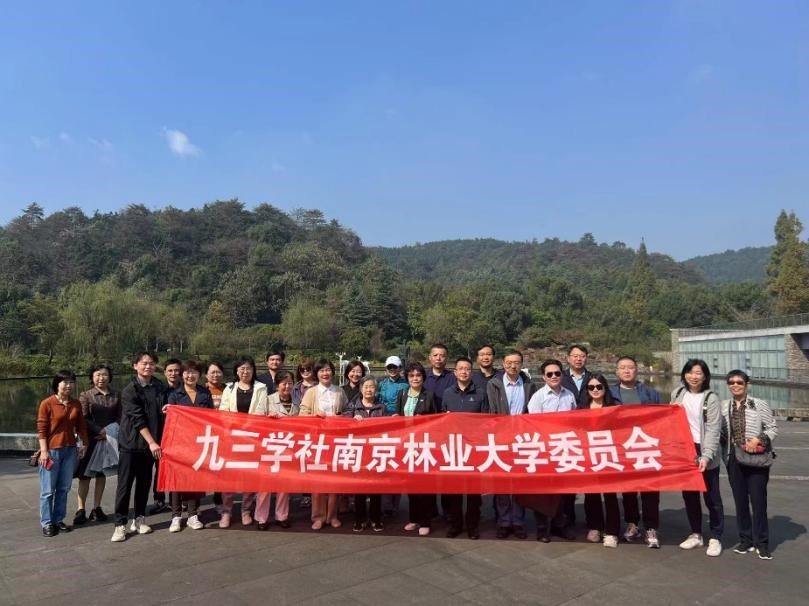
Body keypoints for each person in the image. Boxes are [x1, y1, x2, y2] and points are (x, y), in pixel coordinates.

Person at [721, 370, 777, 560]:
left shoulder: (759, 404)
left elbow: (772, 427)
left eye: (739, 382)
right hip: (733, 458)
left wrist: (758, 439)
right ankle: (745, 540)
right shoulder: (724, 406)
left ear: (747, 384)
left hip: (756, 458)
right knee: (740, 501)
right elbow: (720, 432)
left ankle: (762, 543)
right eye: (731, 382)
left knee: (759, 501)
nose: (735, 385)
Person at [671, 359, 724, 557]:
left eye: (698, 373)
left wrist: (707, 455)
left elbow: (713, 429)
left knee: (712, 497)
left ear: (705, 376)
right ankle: (696, 534)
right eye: (690, 372)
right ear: (684, 374)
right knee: (690, 495)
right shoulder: (678, 393)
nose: (693, 376)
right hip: (685, 450)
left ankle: (716, 537)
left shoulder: (711, 398)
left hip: (705, 449)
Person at [112, 352, 166, 542]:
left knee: (144, 483)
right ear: (135, 366)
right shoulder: (130, 390)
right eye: (144, 363)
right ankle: (120, 524)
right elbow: (137, 419)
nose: (148, 366)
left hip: (149, 447)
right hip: (131, 444)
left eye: (151, 363)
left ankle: (139, 518)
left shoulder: (159, 387)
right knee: (124, 485)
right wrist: (152, 442)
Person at [609, 355, 662, 548]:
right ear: (617, 371)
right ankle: (632, 524)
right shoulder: (610, 393)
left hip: (645, 446)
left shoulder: (650, 393)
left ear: (636, 370)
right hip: (622, 447)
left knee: (650, 490)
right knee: (628, 489)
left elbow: (661, 418)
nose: (626, 370)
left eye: (630, 367)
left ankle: (651, 528)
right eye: (622, 367)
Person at [487, 349, 537, 540]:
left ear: (521, 364)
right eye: (509, 362)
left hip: (522, 440)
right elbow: (491, 411)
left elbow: (531, 412)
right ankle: (503, 522)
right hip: (501, 439)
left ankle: (517, 522)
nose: (512, 366)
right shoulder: (494, 384)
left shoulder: (529, 385)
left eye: (516, 362)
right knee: (501, 484)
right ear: (503, 364)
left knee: (519, 484)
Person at [526, 359, 577, 541]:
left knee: (562, 491)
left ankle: (559, 526)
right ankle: (541, 528)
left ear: (562, 375)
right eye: (550, 374)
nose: (554, 376)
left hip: (564, 448)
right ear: (544, 377)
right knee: (542, 491)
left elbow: (576, 420)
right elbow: (533, 424)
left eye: (557, 373)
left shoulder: (569, 395)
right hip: (544, 449)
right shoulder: (538, 397)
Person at [218, 356, 269, 528]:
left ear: (253, 370)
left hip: (253, 438)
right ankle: (226, 511)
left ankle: (246, 510)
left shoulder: (261, 388)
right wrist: (236, 427)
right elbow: (223, 412)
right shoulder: (229, 388)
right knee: (229, 477)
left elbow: (262, 412)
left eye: (248, 368)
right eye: (242, 368)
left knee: (250, 475)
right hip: (232, 438)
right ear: (236, 371)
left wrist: (247, 426)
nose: (245, 372)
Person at [442, 356, 489, 539]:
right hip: (453, 449)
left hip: (474, 448)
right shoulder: (447, 393)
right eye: (460, 368)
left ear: (472, 372)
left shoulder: (481, 393)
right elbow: (441, 419)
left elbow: (486, 421)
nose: (464, 372)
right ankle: (455, 525)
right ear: (455, 372)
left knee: (473, 493)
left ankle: (472, 526)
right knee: (454, 491)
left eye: (467, 369)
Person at [37, 370, 88, 537]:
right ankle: (47, 523)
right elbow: (42, 429)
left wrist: (83, 444)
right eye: (65, 382)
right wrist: (44, 451)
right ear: (57, 384)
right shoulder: (47, 403)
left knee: (64, 488)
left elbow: (81, 426)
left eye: (71, 382)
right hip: (51, 452)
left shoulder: (75, 403)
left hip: (70, 451)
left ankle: (58, 519)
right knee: (47, 490)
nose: (69, 385)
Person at [300, 358, 348, 530]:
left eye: (328, 370)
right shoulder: (311, 392)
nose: (325, 373)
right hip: (317, 442)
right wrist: (314, 417)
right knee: (318, 481)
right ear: (317, 374)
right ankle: (318, 516)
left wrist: (341, 417)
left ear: (332, 372)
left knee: (334, 480)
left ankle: (332, 515)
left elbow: (348, 412)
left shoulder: (339, 391)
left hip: (335, 441)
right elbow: (301, 415)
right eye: (321, 370)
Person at [166, 360, 214, 533]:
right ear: (182, 375)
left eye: (194, 372)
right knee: (177, 480)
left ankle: (193, 515)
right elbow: (171, 419)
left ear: (199, 375)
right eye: (187, 372)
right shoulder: (175, 394)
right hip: (180, 442)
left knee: (194, 478)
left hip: (199, 442)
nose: (190, 375)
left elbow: (211, 416)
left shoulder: (204, 393)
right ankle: (176, 516)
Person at [73, 364, 121, 526]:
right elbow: (83, 417)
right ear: (92, 378)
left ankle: (97, 507)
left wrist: (109, 431)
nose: (101, 378)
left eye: (104, 374)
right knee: (84, 475)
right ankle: (81, 509)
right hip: (90, 440)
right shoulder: (86, 395)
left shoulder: (117, 395)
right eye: (97, 375)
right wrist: (99, 431)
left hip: (109, 438)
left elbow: (121, 416)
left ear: (109, 377)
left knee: (101, 474)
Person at [396, 362, 438, 537]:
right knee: (411, 485)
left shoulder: (430, 395)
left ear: (423, 377)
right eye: (412, 375)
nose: (415, 378)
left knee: (425, 485)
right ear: (407, 378)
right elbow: (398, 416)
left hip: (424, 444)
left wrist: (424, 419)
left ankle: (426, 521)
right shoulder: (402, 394)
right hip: (407, 445)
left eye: (418, 375)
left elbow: (437, 420)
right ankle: (414, 518)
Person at [580, 374, 621, 548]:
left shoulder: (614, 407)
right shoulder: (581, 408)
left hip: (608, 455)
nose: (595, 390)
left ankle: (612, 532)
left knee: (610, 495)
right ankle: (595, 526)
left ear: (605, 388)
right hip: (588, 455)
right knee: (591, 494)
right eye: (591, 387)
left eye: (599, 386)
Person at [343, 375, 386, 532]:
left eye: (372, 387)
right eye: (366, 386)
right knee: (359, 487)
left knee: (376, 488)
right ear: (361, 389)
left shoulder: (381, 407)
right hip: (358, 451)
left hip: (375, 451)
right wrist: (352, 420)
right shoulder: (353, 406)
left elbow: (388, 427)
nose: (369, 390)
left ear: (376, 389)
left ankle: (376, 518)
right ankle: (359, 519)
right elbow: (343, 424)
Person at [260, 370, 298, 529]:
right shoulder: (268, 400)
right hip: (269, 447)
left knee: (284, 484)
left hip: (288, 447)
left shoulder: (297, 401)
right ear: (277, 385)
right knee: (265, 486)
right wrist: (268, 418)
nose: (287, 386)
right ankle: (261, 518)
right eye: (283, 383)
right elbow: (256, 419)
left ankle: (281, 516)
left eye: (290, 383)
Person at [148, 357, 181, 515]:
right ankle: (159, 499)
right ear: (165, 372)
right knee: (160, 467)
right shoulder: (158, 390)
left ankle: (179, 500)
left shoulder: (185, 389)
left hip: (180, 435)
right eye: (170, 371)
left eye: (176, 370)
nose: (173, 373)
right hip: (161, 433)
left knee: (179, 468)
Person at [423, 343, 455, 413]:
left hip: (446, 416)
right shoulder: (422, 376)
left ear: (446, 358)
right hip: (426, 417)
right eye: (435, 355)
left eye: (442, 356)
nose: (438, 358)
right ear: (430, 357)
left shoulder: (454, 377)